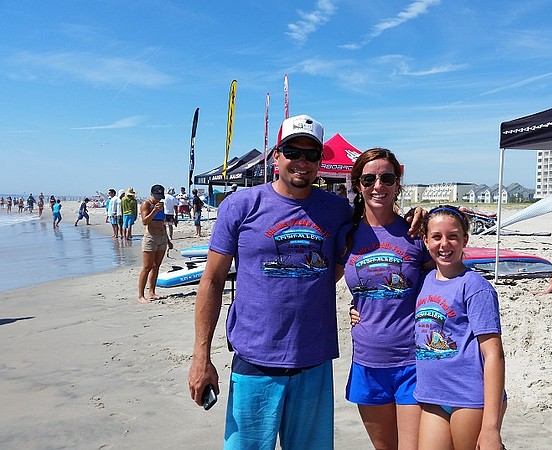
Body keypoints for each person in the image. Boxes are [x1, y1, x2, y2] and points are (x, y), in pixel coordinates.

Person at [188, 114, 352, 449]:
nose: (302, 162)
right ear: (275, 156)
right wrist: (201, 356)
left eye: (311, 154)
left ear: (320, 160)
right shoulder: (240, 205)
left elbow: (348, 262)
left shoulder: (337, 210)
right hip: (254, 361)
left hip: (314, 361)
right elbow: (212, 281)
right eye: (293, 151)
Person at [339, 148, 433, 450]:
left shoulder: (416, 232)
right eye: (369, 179)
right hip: (367, 362)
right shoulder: (347, 236)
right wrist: (349, 308)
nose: (378, 185)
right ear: (357, 185)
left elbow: (448, 276)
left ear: (397, 183)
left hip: (412, 361)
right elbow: (317, 281)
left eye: (386, 178)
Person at [414, 206, 506, 450]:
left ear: (465, 239)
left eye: (453, 236)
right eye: (437, 237)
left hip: (469, 399)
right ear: (425, 240)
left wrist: (491, 428)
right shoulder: (423, 282)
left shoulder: (476, 287)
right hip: (432, 396)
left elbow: (494, 354)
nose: (444, 244)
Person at [138, 184, 172, 303]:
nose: (158, 199)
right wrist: (154, 210)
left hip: (162, 237)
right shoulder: (146, 204)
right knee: (147, 267)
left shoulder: (161, 205)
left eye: (160, 197)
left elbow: (163, 223)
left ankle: (152, 292)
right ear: (151, 194)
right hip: (150, 237)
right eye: (156, 196)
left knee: (156, 266)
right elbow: (144, 221)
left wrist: (168, 240)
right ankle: (141, 296)